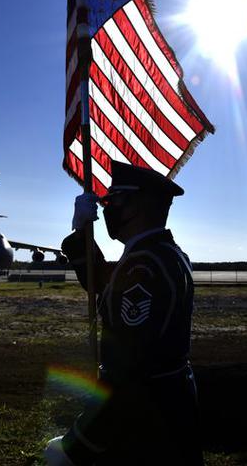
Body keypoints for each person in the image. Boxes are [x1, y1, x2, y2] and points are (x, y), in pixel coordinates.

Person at [45, 162, 202, 466]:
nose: (107, 209)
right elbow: (103, 284)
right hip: (167, 406)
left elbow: (127, 373)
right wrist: (80, 234)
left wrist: (80, 442)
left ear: (139, 204)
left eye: (114, 200)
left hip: (145, 420)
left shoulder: (143, 265)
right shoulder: (162, 254)